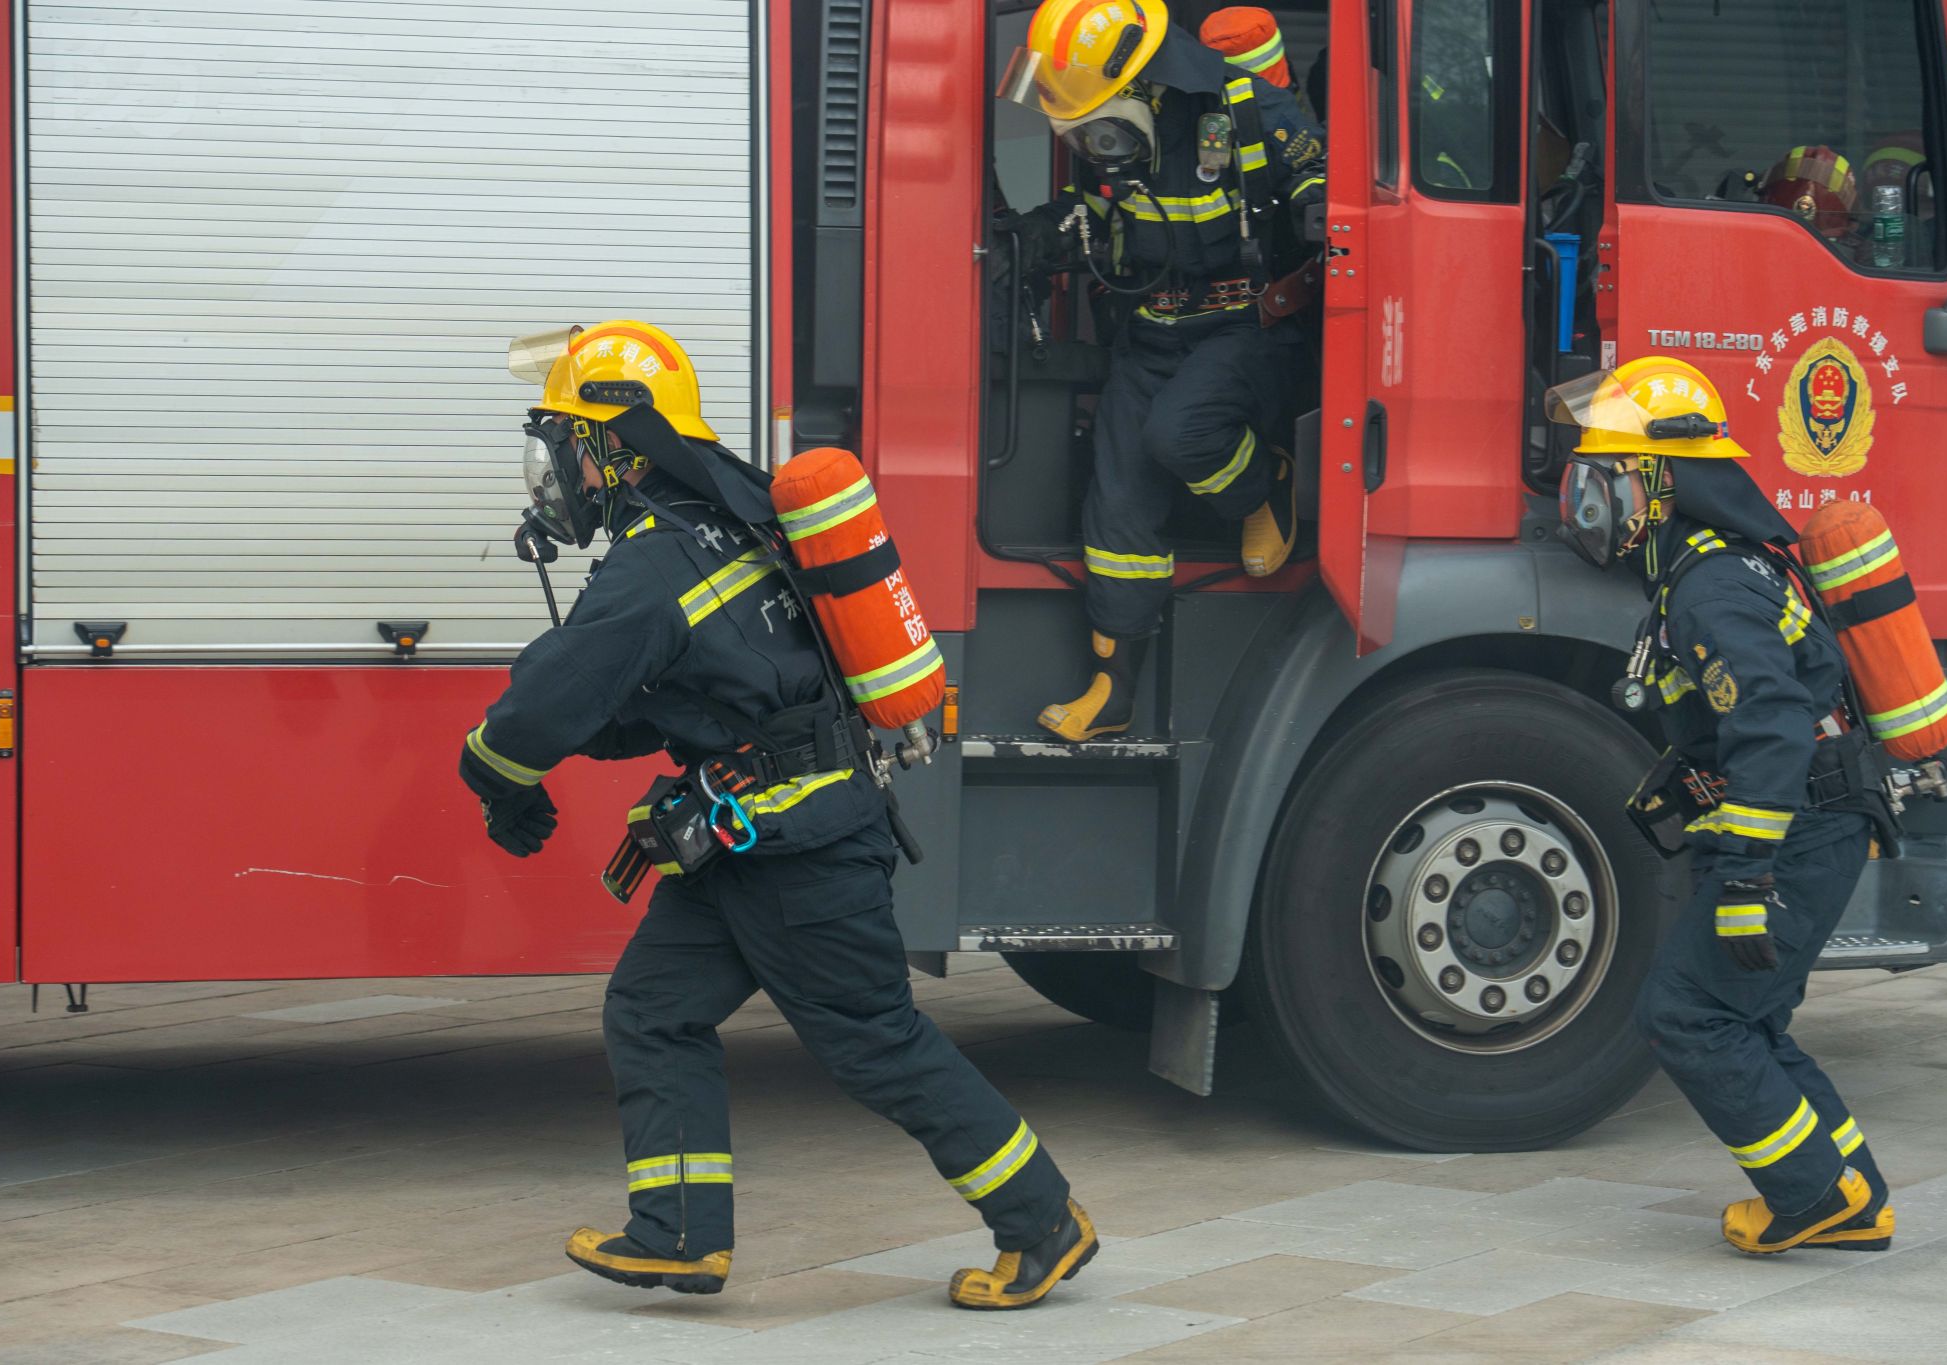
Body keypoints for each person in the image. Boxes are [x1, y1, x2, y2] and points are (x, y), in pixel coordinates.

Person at [462, 320, 1096, 1308]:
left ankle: (1041, 1219)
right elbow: (677, 697)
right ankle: (677, 1234)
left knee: (875, 1041)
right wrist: (579, 735)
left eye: (569, 446)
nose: (561, 474)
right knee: (653, 1010)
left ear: (616, 444)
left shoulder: (652, 567)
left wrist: (496, 774)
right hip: (750, 839)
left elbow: (538, 708)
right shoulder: (726, 518)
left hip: (799, 853)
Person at [1548, 356, 1893, 1254]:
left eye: (1607, 477)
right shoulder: (1710, 571)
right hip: (1819, 816)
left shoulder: (1711, 587)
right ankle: (1853, 1193)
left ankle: (1814, 1198)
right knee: (1747, 1016)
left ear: (1661, 484)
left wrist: (1745, 876)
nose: (1586, 499)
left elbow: (1771, 723)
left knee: (1687, 1013)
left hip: (1800, 829)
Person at [998, 0, 1325, 742]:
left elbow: (1321, 167)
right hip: (1150, 332)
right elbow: (1094, 213)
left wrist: (1316, 203)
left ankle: (1263, 485)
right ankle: (1113, 691)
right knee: (1116, 504)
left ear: (1141, 86)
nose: (1089, 140)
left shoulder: (1244, 109)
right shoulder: (1120, 146)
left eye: (1093, 123)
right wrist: (1029, 239)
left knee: (1181, 434)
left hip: (1246, 328)